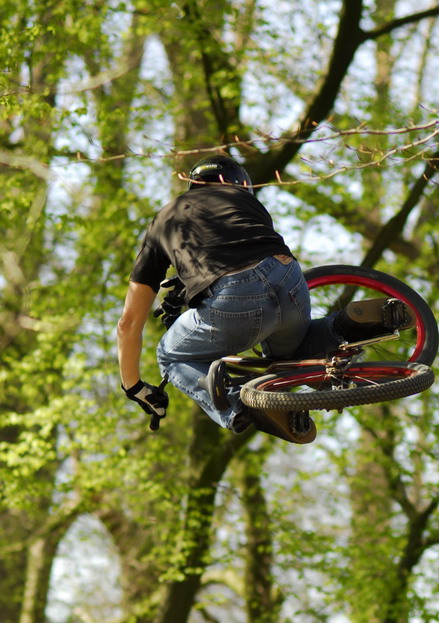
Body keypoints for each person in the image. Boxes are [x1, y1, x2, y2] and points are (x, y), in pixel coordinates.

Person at [116, 154, 408, 443]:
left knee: (170, 354)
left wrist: (133, 386)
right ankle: (351, 325)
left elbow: (129, 323)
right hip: (288, 278)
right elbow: (234, 244)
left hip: (234, 296)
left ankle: (244, 406)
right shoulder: (246, 202)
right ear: (239, 183)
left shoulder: (164, 221)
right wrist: (187, 283)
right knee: (292, 354)